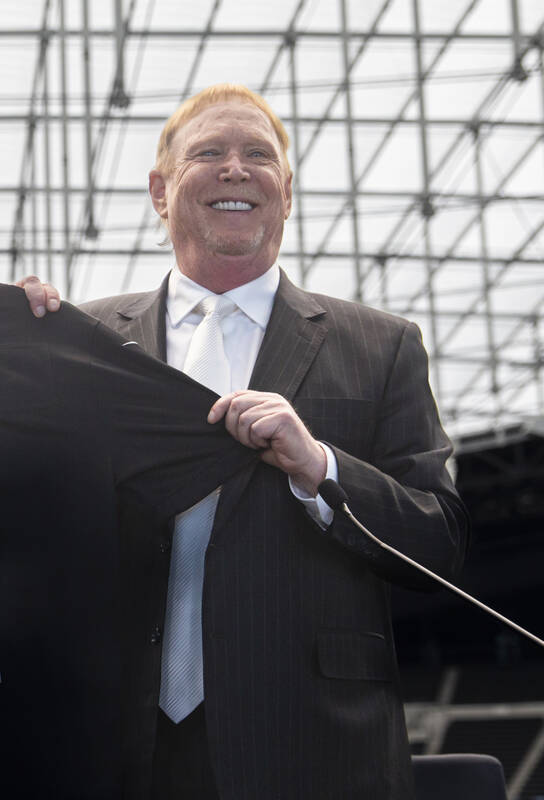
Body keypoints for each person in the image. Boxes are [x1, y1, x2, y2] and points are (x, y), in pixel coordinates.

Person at [77, 84, 468, 799]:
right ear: (161, 192)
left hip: (312, 748)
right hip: (116, 745)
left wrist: (319, 468)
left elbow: (438, 540)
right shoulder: (82, 339)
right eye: (209, 152)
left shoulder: (381, 346)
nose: (236, 168)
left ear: (285, 195)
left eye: (259, 155)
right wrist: (10, 341)